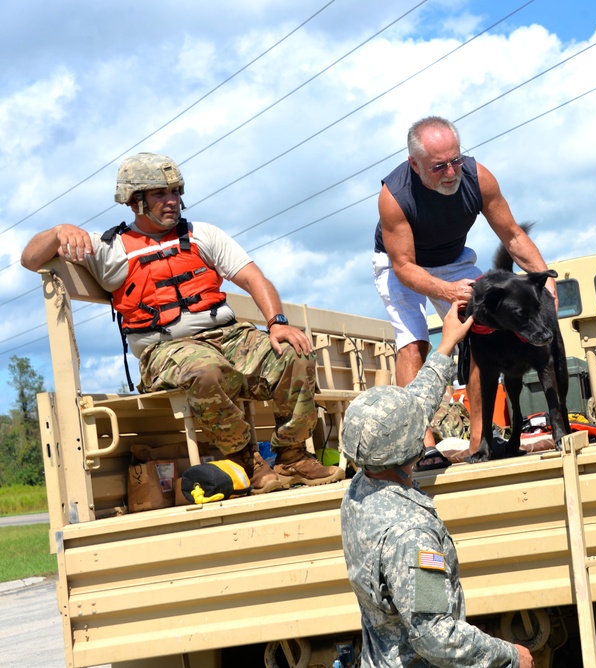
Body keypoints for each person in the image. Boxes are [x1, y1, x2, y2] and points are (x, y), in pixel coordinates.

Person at [21, 152, 343, 492]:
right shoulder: (109, 249)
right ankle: (246, 460)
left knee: (295, 353)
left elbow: (252, 278)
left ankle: (293, 458)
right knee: (206, 369)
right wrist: (59, 232)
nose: (172, 201)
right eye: (160, 194)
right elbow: (30, 259)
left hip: (229, 336)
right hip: (166, 350)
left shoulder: (203, 234)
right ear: (135, 201)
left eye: (175, 192)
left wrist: (277, 322)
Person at [340, 302, 535, 667]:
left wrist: (447, 343)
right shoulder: (411, 535)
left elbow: (416, 402)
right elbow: (436, 636)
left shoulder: (359, 489)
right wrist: (509, 656)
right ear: (410, 446)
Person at [373, 116, 556, 462]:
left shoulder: (478, 177)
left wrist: (544, 278)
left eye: (455, 160)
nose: (451, 172)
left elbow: (513, 235)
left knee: (478, 334)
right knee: (414, 343)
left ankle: (479, 441)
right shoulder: (394, 196)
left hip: (454, 257)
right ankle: (422, 445)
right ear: (415, 164)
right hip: (402, 263)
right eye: (439, 166)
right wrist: (447, 291)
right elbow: (405, 268)